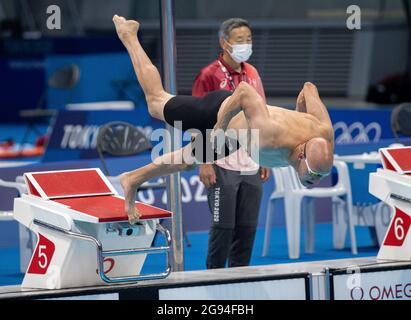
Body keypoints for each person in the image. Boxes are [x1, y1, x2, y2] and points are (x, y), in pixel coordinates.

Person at [112, 15, 334, 225]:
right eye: (314, 175)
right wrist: (220, 124)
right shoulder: (270, 134)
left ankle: (132, 179)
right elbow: (244, 91)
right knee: (155, 102)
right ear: (302, 153)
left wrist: (298, 112)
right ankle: (128, 35)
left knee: (186, 160)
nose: (315, 181)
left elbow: (309, 89)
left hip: (235, 138)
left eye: (320, 176)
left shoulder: (324, 131)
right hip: (219, 111)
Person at [192, 18, 270, 269]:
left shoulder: (253, 73)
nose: (245, 44)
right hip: (221, 162)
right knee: (223, 228)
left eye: (249, 39)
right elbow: (196, 119)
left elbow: (262, 117)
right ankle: (213, 282)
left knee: (247, 230)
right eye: (239, 40)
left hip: (250, 161)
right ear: (224, 42)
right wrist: (204, 162)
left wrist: (264, 155)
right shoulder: (208, 75)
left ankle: (240, 280)